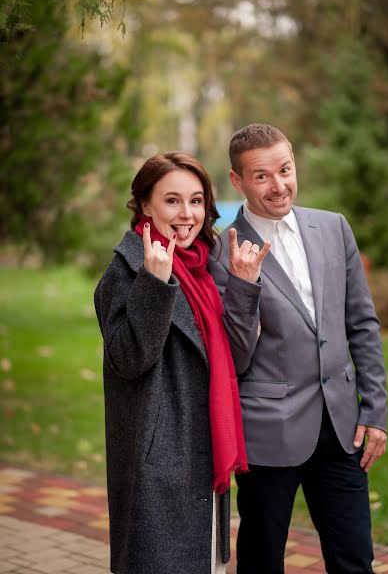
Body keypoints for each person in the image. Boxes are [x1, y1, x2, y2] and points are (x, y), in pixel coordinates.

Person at [208, 124, 388, 574]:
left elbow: (362, 323)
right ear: (238, 181)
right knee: (262, 561)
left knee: (354, 559)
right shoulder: (222, 252)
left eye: (284, 170)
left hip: (342, 426)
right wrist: (244, 287)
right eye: (261, 176)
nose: (278, 185)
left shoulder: (333, 227)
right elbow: (235, 356)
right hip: (270, 430)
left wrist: (375, 411)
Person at [94, 152, 250, 574]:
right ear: (145, 205)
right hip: (158, 467)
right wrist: (153, 283)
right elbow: (127, 361)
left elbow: (235, 357)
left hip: (202, 458)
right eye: (172, 201)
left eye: (196, 201)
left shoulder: (202, 269)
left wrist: (243, 286)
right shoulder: (127, 269)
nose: (187, 214)